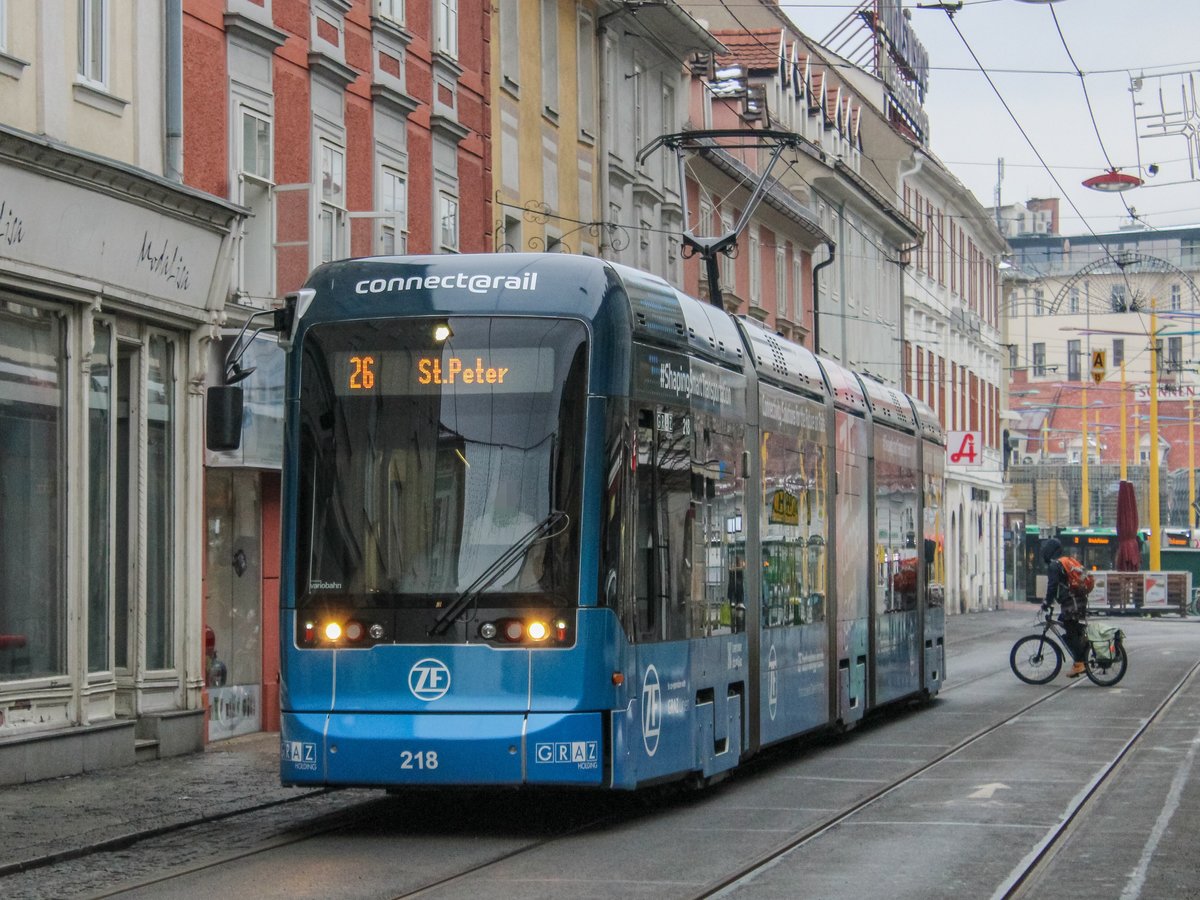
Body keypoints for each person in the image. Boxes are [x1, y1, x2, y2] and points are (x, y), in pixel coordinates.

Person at [1042, 537, 1087, 677]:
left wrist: (1047, 603)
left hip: (1071, 603)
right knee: (1070, 628)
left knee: (1070, 631)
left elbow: (1052, 586)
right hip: (1078, 601)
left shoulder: (1055, 565)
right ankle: (1082, 654)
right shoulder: (1065, 561)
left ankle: (1080, 663)